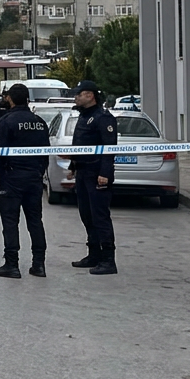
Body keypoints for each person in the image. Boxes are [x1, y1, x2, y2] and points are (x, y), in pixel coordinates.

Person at [0, 83, 51, 278]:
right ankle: (39, 264)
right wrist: (39, 173)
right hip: (34, 178)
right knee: (35, 221)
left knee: (10, 222)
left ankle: (11, 264)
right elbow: (46, 152)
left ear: (10, 99)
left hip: (12, 178)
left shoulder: (7, 121)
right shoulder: (39, 122)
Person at [65, 80, 119, 275]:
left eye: (79, 94)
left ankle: (108, 260)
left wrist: (105, 173)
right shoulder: (84, 116)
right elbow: (80, 144)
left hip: (97, 174)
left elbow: (109, 147)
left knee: (100, 217)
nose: (76, 97)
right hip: (83, 172)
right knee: (86, 215)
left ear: (90, 95)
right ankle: (94, 254)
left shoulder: (103, 117)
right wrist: (73, 166)